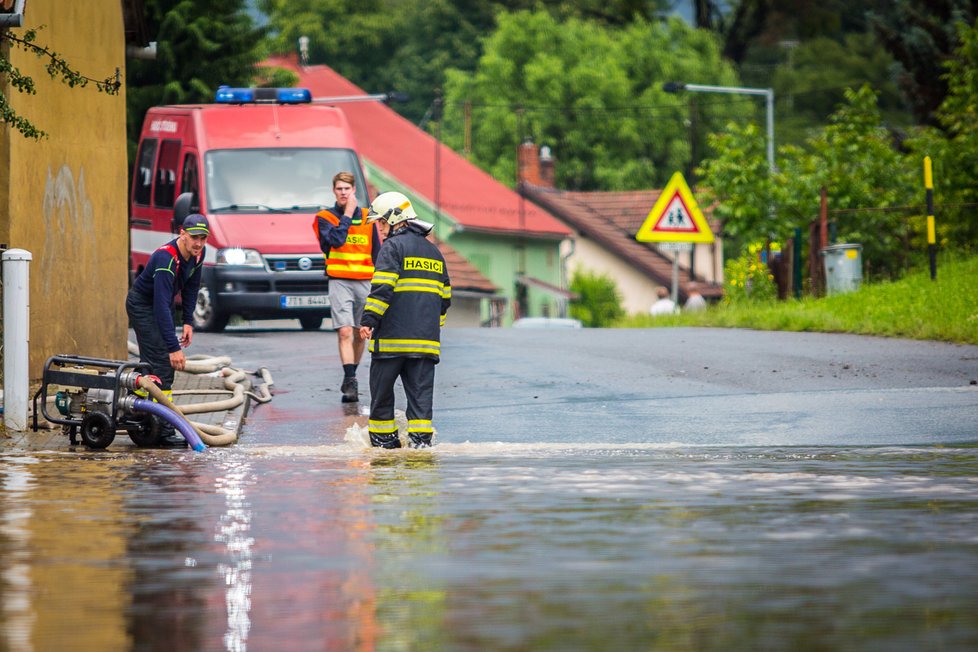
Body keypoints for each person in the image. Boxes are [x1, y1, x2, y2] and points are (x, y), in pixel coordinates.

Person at [358, 192, 451, 449]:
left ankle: (384, 448)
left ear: (393, 219)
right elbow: (445, 299)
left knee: (382, 399)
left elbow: (382, 289)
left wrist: (369, 319)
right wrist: (432, 325)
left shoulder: (392, 247)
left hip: (391, 343)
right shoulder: (435, 253)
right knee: (421, 402)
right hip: (425, 345)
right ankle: (421, 448)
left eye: (380, 222)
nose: (379, 228)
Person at [126, 214, 209, 447]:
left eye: (203, 238)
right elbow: (161, 305)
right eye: (194, 238)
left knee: (157, 365)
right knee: (162, 363)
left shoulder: (197, 255)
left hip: (161, 304)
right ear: (182, 234)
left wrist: (188, 321)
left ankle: (142, 414)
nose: (199, 243)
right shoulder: (166, 259)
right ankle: (161, 430)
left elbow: (192, 288)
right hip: (143, 305)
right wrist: (173, 348)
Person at [313, 171, 381, 402]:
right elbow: (336, 240)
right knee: (344, 330)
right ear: (334, 191)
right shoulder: (325, 217)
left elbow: (377, 251)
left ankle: (349, 375)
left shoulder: (368, 217)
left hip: (365, 280)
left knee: (361, 333)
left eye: (347, 189)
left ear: (354, 191)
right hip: (339, 279)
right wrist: (349, 214)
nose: (343, 192)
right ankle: (351, 379)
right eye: (339, 188)